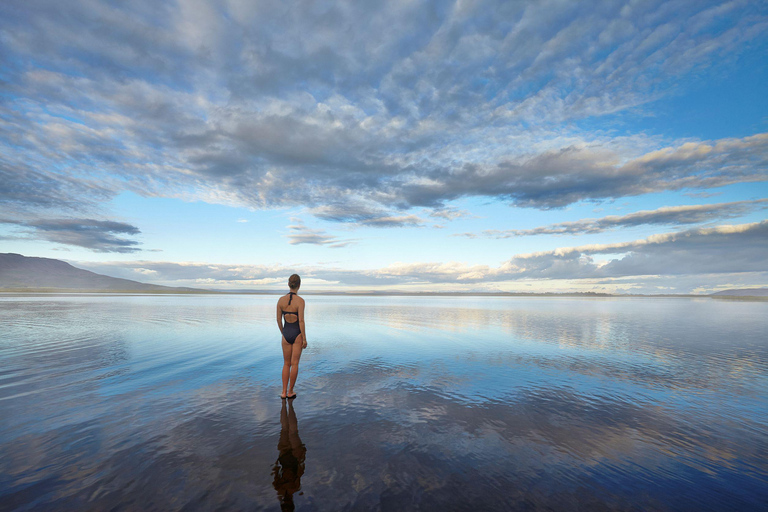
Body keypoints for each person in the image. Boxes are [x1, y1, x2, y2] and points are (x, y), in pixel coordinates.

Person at [276, 274, 307, 399]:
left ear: (288, 284)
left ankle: (283, 392)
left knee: (286, 364)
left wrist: (283, 332)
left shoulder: (280, 300)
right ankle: (290, 391)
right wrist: (304, 338)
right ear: (299, 285)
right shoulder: (300, 301)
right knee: (294, 364)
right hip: (297, 334)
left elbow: (278, 319)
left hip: (286, 333)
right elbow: (301, 321)